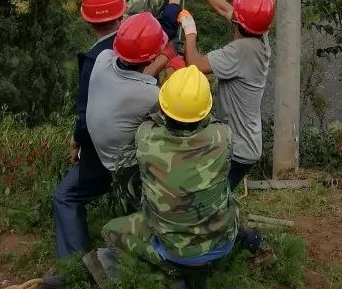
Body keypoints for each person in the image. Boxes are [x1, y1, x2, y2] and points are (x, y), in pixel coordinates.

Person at [102, 65, 240, 269]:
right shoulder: (222, 136)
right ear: (205, 111)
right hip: (222, 243)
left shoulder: (145, 136)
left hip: (173, 251)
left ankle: (165, 270)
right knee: (230, 198)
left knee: (109, 230)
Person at [47, 0, 127, 289]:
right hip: (137, 145)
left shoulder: (93, 60)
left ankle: (73, 265)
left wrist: (76, 141)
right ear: (121, 15)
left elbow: (86, 113)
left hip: (102, 153)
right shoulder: (132, 43)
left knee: (65, 195)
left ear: (88, 21)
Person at [177, 0, 275, 190]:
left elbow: (195, 64)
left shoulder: (240, 51)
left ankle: (228, 224)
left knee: (212, 200)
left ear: (240, 22)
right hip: (246, 143)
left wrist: (190, 31)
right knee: (218, 198)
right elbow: (226, 10)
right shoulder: (259, 36)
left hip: (238, 149)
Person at [86, 11, 181, 177]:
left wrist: (166, 56)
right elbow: (170, 106)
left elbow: (136, 76)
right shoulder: (149, 95)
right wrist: (173, 68)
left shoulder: (103, 58)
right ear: (152, 58)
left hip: (103, 149)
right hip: (124, 164)